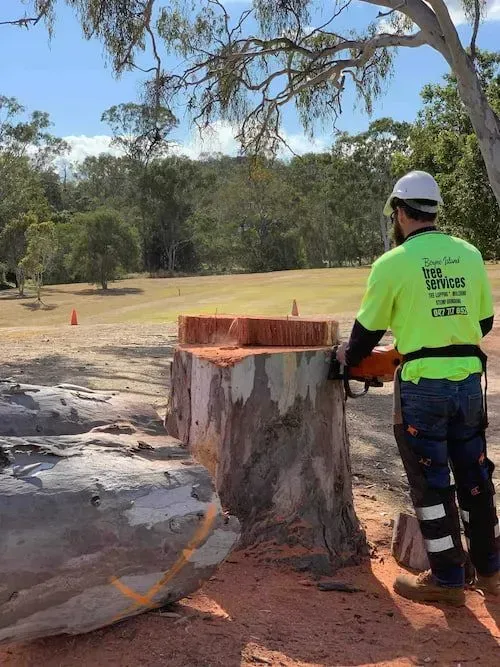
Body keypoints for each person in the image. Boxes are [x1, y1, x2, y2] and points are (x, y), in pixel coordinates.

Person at [337, 170, 499, 605]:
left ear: (400, 212)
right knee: (476, 478)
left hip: (423, 389)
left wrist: (347, 361)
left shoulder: (392, 263)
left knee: (432, 486)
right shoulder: (468, 254)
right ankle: (490, 571)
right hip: (468, 384)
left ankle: (447, 580)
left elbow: (366, 333)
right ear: (434, 210)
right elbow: (482, 323)